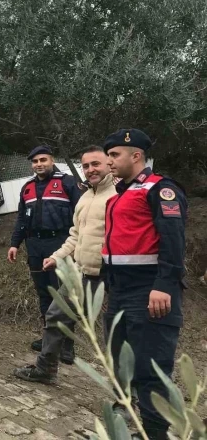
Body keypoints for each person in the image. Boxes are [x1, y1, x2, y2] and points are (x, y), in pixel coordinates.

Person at [101, 128, 187, 440]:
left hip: (149, 289)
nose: (109, 161)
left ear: (136, 156)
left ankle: (153, 433)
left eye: (114, 155)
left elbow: (174, 240)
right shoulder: (123, 192)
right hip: (120, 289)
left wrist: (164, 283)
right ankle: (126, 415)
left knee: (151, 368)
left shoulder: (160, 189)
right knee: (120, 359)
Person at [13, 145, 116, 382]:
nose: (91, 170)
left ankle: (126, 399)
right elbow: (76, 234)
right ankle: (45, 369)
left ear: (109, 163)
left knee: (117, 333)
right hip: (80, 271)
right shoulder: (88, 196)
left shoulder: (118, 195)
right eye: (87, 166)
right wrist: (57, 256)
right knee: (56, 314)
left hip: (111, 275)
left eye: (96, 164)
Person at [7, 145, 81, 351]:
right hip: (35, 246)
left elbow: (81, 216)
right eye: (35, 161)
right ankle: (49, 338)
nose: (39, 164)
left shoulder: (67, 183)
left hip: (60, 243)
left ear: (52, 160)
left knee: (63, 294)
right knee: (44, 294)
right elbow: (21, 218)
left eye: (43, 160)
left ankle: (67, 345)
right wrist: (15, 243)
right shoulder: (27, 187)